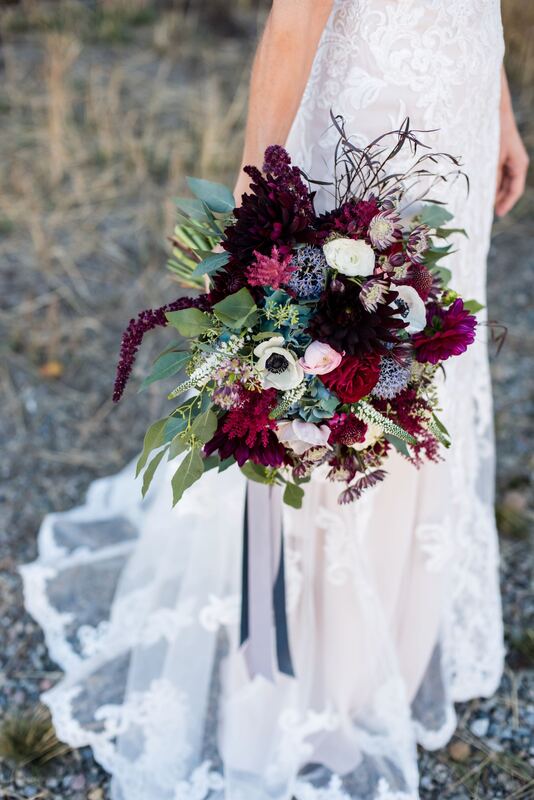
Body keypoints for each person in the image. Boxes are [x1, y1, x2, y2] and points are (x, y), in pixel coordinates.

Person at [22, 2, 528, 799]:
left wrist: (496, 102)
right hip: (376, 103)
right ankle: (311, 667)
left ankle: (389, 639)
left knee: (426, 353)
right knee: (343, 360)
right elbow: (295, 20)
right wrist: (257, 194)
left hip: (455, 99)